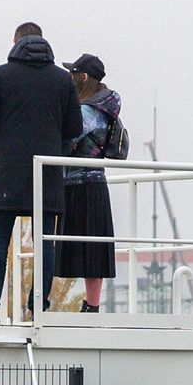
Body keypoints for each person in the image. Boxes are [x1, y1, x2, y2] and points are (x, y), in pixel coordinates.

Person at [0, 23, 83, 323]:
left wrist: (3, 122)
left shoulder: (1, 75)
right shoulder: (61, 80)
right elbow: (74, 128)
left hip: (9, 171)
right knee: (45, 242)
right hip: (47, 172)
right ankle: (38, 309)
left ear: (16, 42)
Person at [56, 53, 121, 313]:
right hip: (92, 183)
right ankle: (91, 305)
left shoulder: (88, 110)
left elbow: (69, 136)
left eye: (73, 73)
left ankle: (91, 307)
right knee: (93, 246)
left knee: (89, 247)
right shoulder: (103, 107)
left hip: (82, 182)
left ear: (83, 77)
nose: (70, 78)